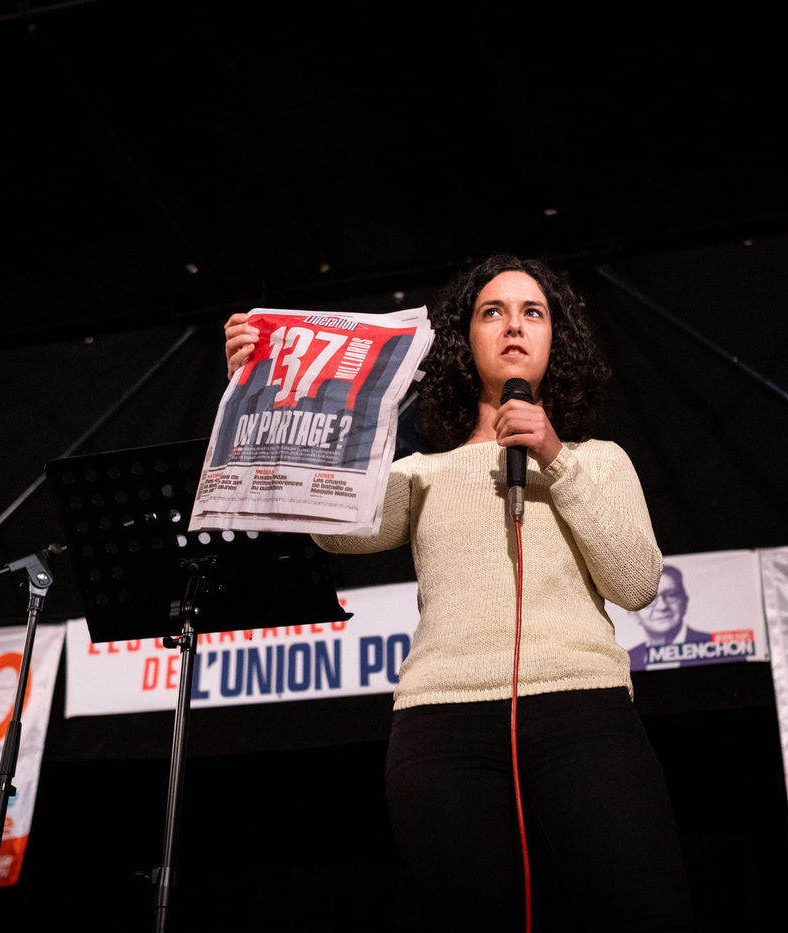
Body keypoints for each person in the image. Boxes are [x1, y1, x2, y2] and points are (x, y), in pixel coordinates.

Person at [224, 254, 696, 932]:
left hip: (582, 712)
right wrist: (270, 386)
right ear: (463, 340)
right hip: (442, 727)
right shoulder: (423, 472)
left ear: (557, 338)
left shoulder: (597, 460)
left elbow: (637, 581)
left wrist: (555, 458)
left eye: (533, 312)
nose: (513, 325)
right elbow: (332, 529)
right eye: (491, 311)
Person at [627, 565, 711, 670]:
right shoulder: (627, 661)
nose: (662, 606)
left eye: (671, 595)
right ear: (633, 614)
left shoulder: (715, 648)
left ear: (685, 602)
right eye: (649, 598)